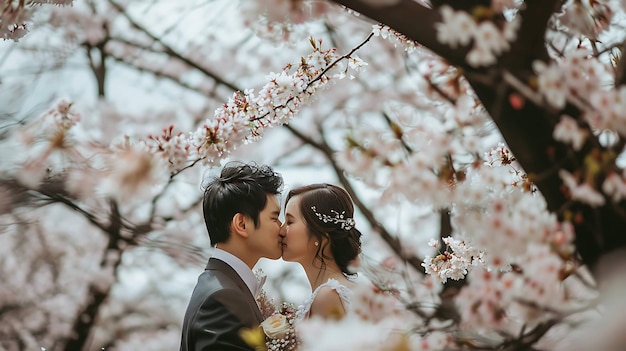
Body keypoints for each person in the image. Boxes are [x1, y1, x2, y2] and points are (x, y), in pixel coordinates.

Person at [180, 161, 284, 351]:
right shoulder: (223, 297)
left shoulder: (223, 286)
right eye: (274, 218)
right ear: (242, 224)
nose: (282, 227)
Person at [280, 183, 362, 320]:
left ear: (322, 235)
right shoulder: (339, 292)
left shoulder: (328, 296)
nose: (282, 231)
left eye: (289, 222)